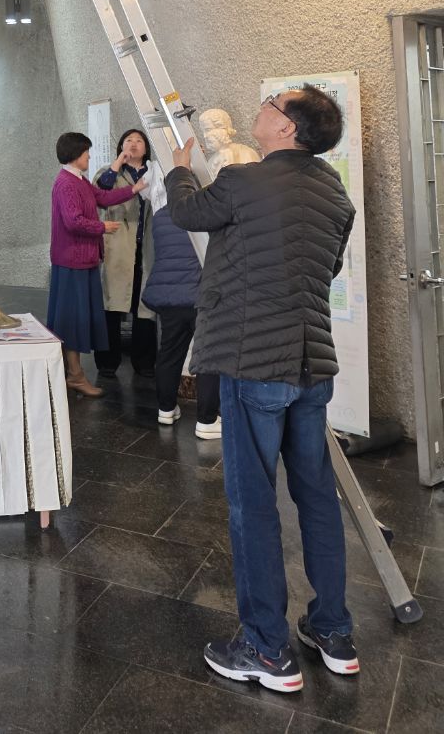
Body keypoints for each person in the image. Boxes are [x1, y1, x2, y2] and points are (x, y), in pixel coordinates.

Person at [166, 86, 357, 694]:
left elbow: (187, 214)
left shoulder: (244, 180)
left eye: (273, 103)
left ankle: (266, 650)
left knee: (253, 506)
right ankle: (333, 632)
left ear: (286, 129)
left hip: (254, 365)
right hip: (311, 367)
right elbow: (326, 268)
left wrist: (178, 168)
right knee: (317, 499)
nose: (263, 106)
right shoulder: (335, 192)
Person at [48, 131, 146, 397]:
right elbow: (73, 221)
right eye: (86, 153)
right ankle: (75, 375)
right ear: (75, 154)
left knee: (77, 318)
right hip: (72, 260)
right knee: (72, 319)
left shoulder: (77, 179)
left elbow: (102, 197)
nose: (89, 157)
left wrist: (134, 189)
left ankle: (73, 373)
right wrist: (102, 227)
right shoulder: (66, 183)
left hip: (84, 259)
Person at [139, 164, 220, 437]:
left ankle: (166, 409)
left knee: (169, 353)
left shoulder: (161, 215)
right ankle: (207, 420)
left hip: (168, 296)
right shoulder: (202, 212)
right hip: (199, 295)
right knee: (207, 358)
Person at [93, 129, 157, 377]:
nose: (134, 144)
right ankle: (108, 362)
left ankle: (144, 362)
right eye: (128, 140)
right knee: (112, 304)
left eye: (139, 140)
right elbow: (99, 194)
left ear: (146, 148)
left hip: (146, 247)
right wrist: (118, 163)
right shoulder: (109, 172)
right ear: (120, 146)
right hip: (118, 246)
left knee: (145, 306)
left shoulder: (155, 172)